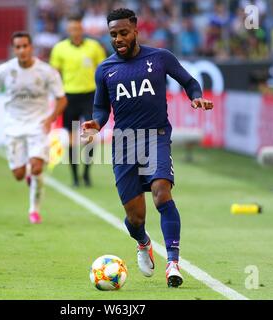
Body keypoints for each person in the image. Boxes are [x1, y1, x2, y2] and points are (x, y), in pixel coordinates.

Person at [81, 8, 213, 287]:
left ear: (135, 30)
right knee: (134, 217)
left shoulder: (160, 57)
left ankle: (173, 263)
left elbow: (189, 82)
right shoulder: (105, 69)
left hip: (157, 136)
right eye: (113, 34)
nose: (118, 38)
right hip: (124, 143)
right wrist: (96, 123)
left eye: (123, 32)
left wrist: (197, 97)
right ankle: (142, 242)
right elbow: (102, 108)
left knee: (161, 193)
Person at [0, 31, 67, 224]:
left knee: (37, 168)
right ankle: (28, 175)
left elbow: (62, 99)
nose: (22, 50)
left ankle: (34, 210)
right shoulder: (4, 70)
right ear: (14, 49)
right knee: (19, 175)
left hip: (38, 125)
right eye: (18, 47)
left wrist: (50, 119)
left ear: (31, 48)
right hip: (14, 126)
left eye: (25, 46)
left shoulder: (46, 71)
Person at [50, 14, 106, 187]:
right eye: (72, 28)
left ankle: (87, 173)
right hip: (69, 98)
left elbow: (103, 70)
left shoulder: (94, 47)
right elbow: (54, 74)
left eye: (78, 28)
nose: (76, 31)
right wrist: (57, 96)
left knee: (90, 136)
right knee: (72, 139)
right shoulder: (59, 49)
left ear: (83, 29)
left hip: (90, 96)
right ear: (68, 30)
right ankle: (75, 177)